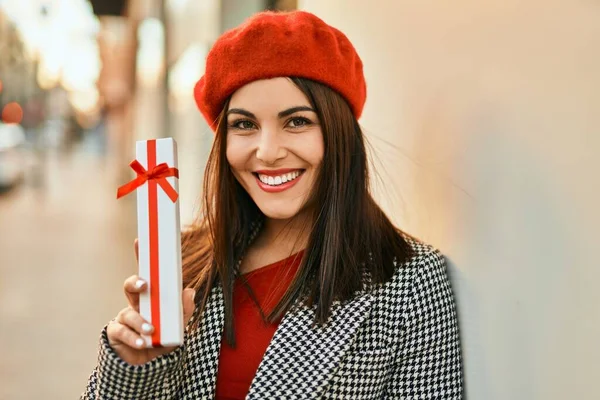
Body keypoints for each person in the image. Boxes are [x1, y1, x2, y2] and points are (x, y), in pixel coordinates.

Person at [81, 10, 463, 399]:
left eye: (296, 122)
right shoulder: (188, 257)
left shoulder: (409, 283)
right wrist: (136, 368)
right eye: (244, 125)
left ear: (339, 134)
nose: (267, 151)